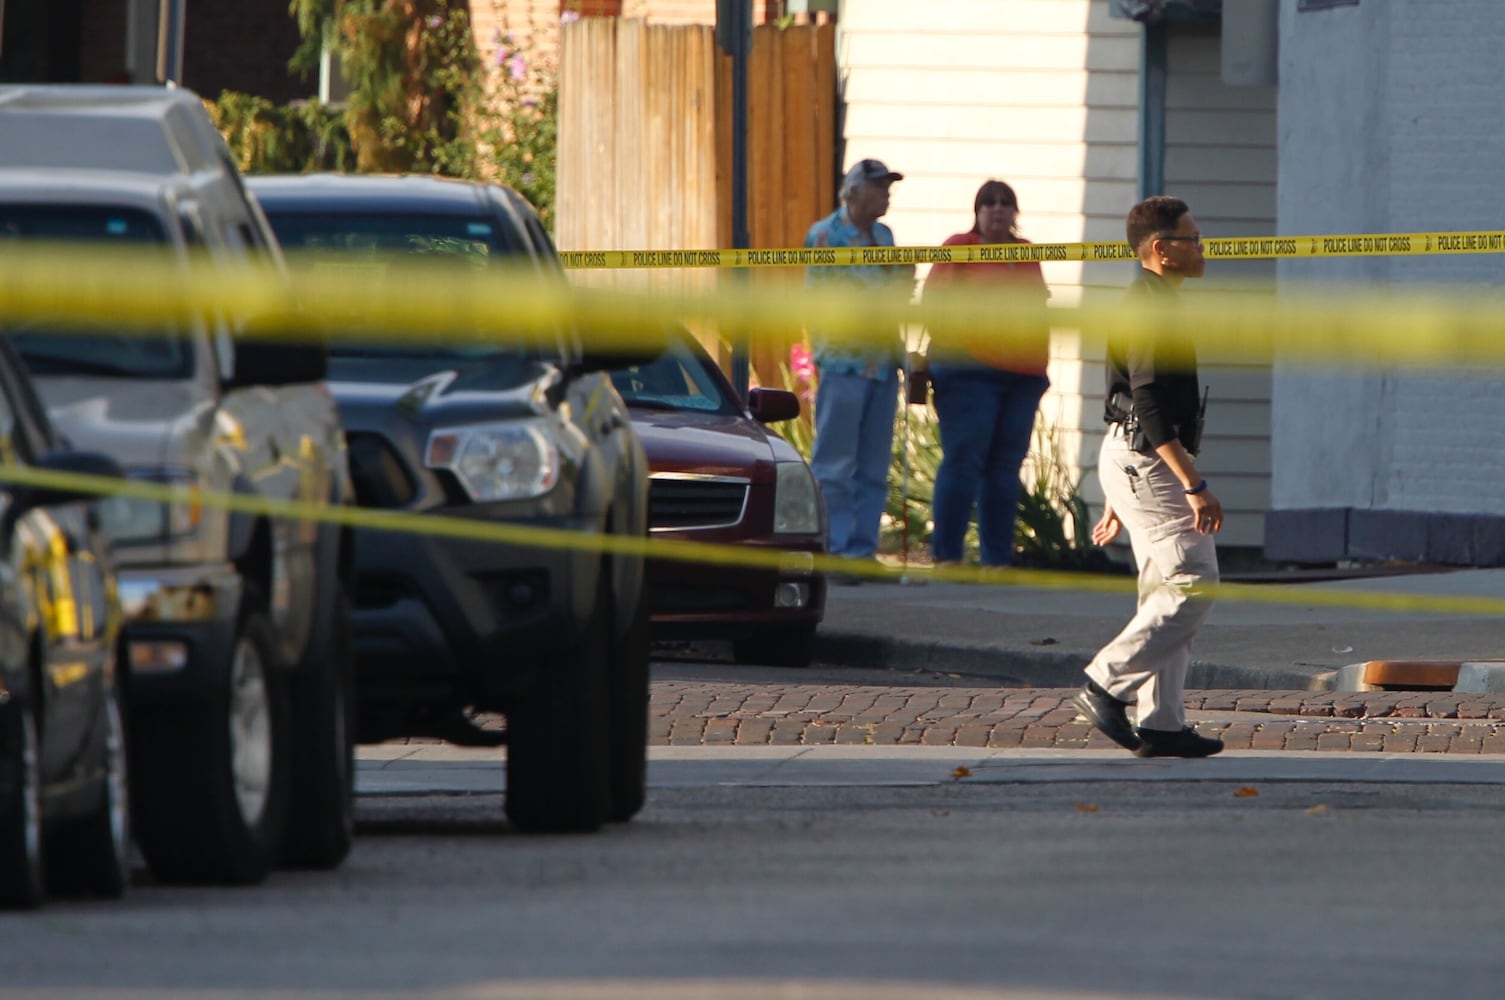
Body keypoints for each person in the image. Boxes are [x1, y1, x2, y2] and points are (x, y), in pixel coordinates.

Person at [1072, 194, 1225, 759]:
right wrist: (1193, 482)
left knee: (1164, 588)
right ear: (1162, 249)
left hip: (1134, 461)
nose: (1202, 248)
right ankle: (1105, 682)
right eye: (1193, 239)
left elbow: (1121, 396)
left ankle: (1161, 723)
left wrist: (1121, 494)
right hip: (1149, 458)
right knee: (1193, 581)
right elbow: (1148, 402)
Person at [922, 179, 1051, 567]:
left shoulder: (1026, 253)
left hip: (1023, 376)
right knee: (964, 460)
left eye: (1005, 202)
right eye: (989, 202)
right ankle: (948, 557)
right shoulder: (959, 247)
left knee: (1005, 469)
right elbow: (934, 305)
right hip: (969, 372)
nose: (997, 208)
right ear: (977, 212)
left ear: (1015, 211)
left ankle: (997, 561)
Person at [804, 159, 913, 576]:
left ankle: (861, 552)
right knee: (834, 463)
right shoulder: (825, 235)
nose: (887, 195)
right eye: (880, 187)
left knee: (872, 465)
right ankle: (833, 550)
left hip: (882, 363)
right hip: (843, 361)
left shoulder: (884, 235)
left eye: (888, 187)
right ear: (854, 191)